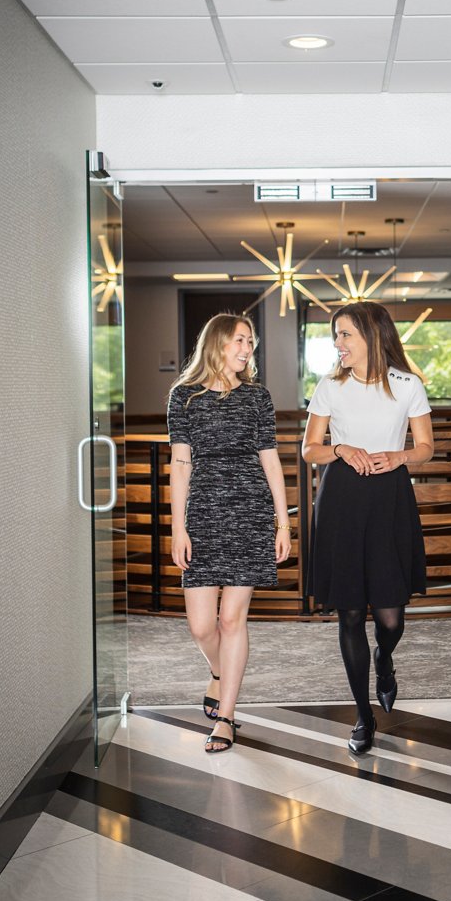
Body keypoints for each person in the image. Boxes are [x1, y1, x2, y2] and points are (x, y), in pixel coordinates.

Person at [302, 301, 434, 755]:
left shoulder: (408, 385)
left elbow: (426, 447)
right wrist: (339, 449)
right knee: (351, 612)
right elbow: (309, 450)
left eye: (345, 335)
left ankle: (386, 657)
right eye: (335, 335)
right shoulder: (330, 387)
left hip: (390, 500)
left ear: (372, 336)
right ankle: (363, 713)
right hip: (341, 500)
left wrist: (399, 456)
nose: (337, 344)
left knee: (390, 616)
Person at [167, 313, 291, 753]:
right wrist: (177, 526)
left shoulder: (257, 398)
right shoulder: (183, 398)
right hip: (202, 515)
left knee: (230, 619)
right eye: (241, 341)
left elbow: (271, 462)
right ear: (218, 342)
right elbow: (180, 465)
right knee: (202, 626)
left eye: (251, 343)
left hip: (250, 514)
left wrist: (282, 521)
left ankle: (226, 717)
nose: (247, 350)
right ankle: (220, 674)